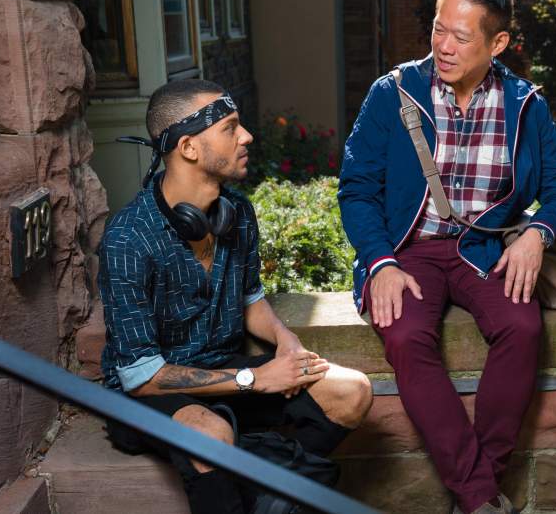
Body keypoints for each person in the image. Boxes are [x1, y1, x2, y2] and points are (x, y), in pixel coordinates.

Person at [338, 0, 556, 511]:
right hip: (407, 251)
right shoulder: (394, 92)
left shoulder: (525, 105)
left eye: (459, 35)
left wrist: (538, 236)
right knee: (405, 337)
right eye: (437, 28)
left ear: (496, 44)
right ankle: (481, 498)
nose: (442, 46)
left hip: (482, 250)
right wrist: (379, 262)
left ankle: (478, 491)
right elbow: (357, 189)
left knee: (522, 327)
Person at [98, 79, 374, 514]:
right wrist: (255, 379)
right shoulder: (128, 238)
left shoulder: (237, 212)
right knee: (210, 434)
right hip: (151, 394)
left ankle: (267, 496)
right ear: (188, 147)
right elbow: (140, 376)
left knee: (352, 391)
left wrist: (286, 342)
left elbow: (250, 300)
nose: (246, 136)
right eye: (230, 128)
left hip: (222, 371)